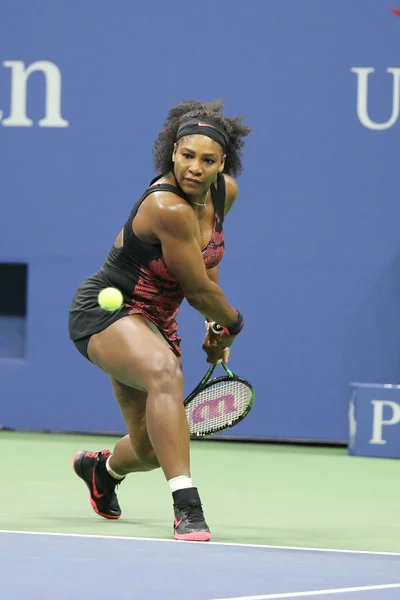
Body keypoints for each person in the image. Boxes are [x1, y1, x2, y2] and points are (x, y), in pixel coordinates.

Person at [68, 99, 251, 542]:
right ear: (172, 152)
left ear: (222, 164)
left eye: (207, 160)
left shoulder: (224, 192)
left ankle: (103, 470)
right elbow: (200, 292)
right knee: (165, 373)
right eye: (187, 155)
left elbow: (208, 264)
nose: (195, 167)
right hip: (108, 310)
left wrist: (213, 328)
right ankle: (187, 507)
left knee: (150, 450)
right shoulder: (166, 208)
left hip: (156, 322)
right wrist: (233, 323)